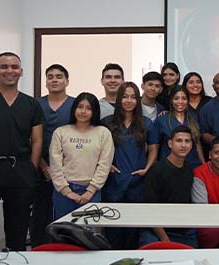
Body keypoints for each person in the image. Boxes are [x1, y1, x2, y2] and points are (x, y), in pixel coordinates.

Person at [102, 82, 158, 249]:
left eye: (133, 97)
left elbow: (154, 148)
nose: (129, 100)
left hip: (137, 181)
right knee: (113, 229)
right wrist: (107, 165)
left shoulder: (146, 123)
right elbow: (98, 148)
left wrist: (147, 168)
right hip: (114, 181)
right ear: (119, 99)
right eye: (125, 96)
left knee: (133, 231)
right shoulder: (107, 122)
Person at [0, 52, 43, 251]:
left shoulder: (31, 104)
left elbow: (37, 139)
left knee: (18, 230)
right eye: (4, 66)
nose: (10, 71)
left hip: (21, 170)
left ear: (21, 71)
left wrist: (31, 167)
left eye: (14, 67)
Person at [50, 92, 114, 219]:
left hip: (91, 192)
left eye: (88, 108)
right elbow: (55, 164)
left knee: (87, 235)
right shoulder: (61, 132)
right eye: (80, 107)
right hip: (64, 192)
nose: (83, 111)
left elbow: (104, 165)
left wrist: (90, 190)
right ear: (74, 108)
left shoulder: (103, 133)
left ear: (95, 111)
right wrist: (66, 191)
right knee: (63, 232)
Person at [31, 64, 74, 247]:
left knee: (67, 214)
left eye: (59, 76)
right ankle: (39, 248)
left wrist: (60, 169)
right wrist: (43, 166)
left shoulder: (75, 105)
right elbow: (30, 138)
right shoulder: (35, 104)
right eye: (50, 77)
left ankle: (67, 248)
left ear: (67, 81)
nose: (54, 80)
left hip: (70, 169)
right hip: (41, 168)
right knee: (41, 213)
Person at [140, 126, 197, 247]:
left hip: (184, 231)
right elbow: (149, 209)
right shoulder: (156, 170)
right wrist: (163, 237)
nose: (183, 145)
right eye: (179, 140)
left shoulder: (190, 170)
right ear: (170, 143)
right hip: (157, 231)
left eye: (187, 141)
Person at [155, 86, 205, 170]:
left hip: (192, 165)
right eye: (176, 98)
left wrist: (203, 165)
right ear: (171, 100)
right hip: (168, 167)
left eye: (184, 98)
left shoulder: (194, 118)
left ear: (188, 101)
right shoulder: (162, 120)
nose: (180, 102)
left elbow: (197, 144)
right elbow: (155, 146)